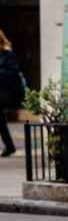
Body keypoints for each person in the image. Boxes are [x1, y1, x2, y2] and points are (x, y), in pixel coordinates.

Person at [0, 29, 25, 157]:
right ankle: (10, 146)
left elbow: (13, 72)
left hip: (4, 92)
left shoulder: (8, 54)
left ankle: (10, 146)